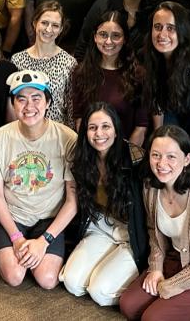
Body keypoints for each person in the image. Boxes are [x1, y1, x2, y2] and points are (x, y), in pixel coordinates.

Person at [0, 70, 78, 289]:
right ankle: (2, 243)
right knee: (15, 276)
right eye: (21, 99)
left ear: (48, 101)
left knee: (48, 280)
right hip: (14, 217)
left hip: (48, 220)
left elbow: (72, 200)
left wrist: (44, 241)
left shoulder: (67, 138)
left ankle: (35, 248)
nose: (28, 106)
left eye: (36, 98)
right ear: (13, 104)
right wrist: (16, 238)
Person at [118, 125, 190, 320]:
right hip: (175, 259)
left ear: (186, 159)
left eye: (171, 156)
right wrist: (156, 267)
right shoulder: (150, 187)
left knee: (152, 318)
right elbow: (154, 231)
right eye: (156, 155)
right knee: (128, 306)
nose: (162, 163)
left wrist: (175, 284)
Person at [61, 103, 148, 306]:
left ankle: (128, 272)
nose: (99, 133)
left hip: (130, 232)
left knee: (99, 292)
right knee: (73, 283)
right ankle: (108, 261)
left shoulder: (136, 158)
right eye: (92, 127)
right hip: (100, 225)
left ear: (116, 130)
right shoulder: (82, 158)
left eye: (105, 126)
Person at [142, 2, 190, 175]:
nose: (162, 34)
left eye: (171, 28)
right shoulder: (151, 56)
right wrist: (157, 136)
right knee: (161, 159)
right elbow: (157, 102)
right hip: (173, 113)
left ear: (181, 31)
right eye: (158, 27)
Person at [68, 10, 149, 146]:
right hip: (91, 151)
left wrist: (126, 160)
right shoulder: (81, 72)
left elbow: (141, 126)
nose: (108, 41)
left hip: (125, 154)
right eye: (103, 35)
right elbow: (79, 119)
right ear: (95, 37)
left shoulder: (138, 74)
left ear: (125, 39)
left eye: (116, 36)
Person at [11, 0, 77, 126]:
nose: (48, 29)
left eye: (55, 25)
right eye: (44, 23)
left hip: (56, 134)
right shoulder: (17, 60)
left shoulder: (69, 63)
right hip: (24, 131)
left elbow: (71, 109)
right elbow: (12, 104)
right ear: (35, 23)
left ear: (61, 29)